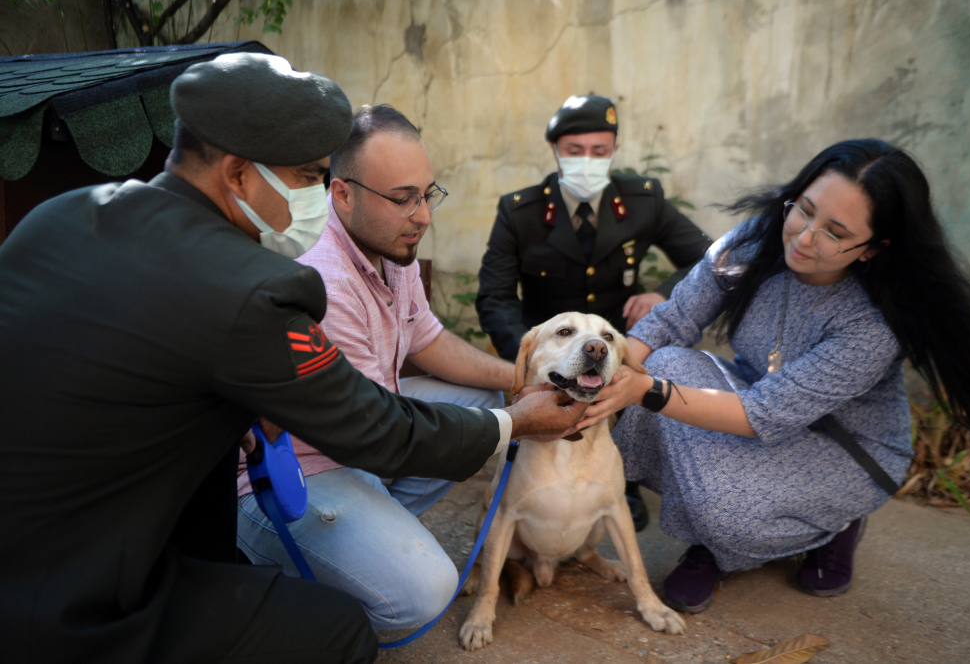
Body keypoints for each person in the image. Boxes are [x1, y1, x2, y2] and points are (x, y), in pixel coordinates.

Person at [0, 53, 586, 664]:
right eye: (307, 178)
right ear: (238, 175)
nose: (316, 199)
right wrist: (517, 422)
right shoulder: (252, 286)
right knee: (339, 632)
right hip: (77, 595)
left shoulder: (64, 214)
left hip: (39, 522)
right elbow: (377, 429)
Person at [576, 139, 970, 614]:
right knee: (655, 367)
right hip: (757, 398)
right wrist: (602, 375)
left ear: (873, 248)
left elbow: (763, 414)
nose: (803, 237)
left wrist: (644, 391)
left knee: (699, 466)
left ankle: (828, 523)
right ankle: (710, 538)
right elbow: (670, 321)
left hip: (846, 451)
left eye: (835, 232)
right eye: (805, 210)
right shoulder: (756, 240)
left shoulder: (873, 323)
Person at [236, 104, 516, 630]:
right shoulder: (322, 277)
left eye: (428, 193)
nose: (424, 215)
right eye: (403, 198)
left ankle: (371, 531)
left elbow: (427, 338)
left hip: (365, 432)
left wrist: (522, 380)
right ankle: (271, 564)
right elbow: (376, 431)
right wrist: (522, 422)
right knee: (423, 595)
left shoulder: (389, 242)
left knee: (489, 401)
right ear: (342, 193)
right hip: (296, 468)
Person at [475, 93, 713, 530]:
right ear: (555, 151)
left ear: (614, 151)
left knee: (645, 360)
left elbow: (708, 260)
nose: (588, 161)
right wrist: (528, 357)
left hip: (619, 336)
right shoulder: (520, 212)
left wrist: (662, 293)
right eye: (575, 151)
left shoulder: (642, 200)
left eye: (599, 152)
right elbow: (495, 296)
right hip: (556, 346)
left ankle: (626, 480)